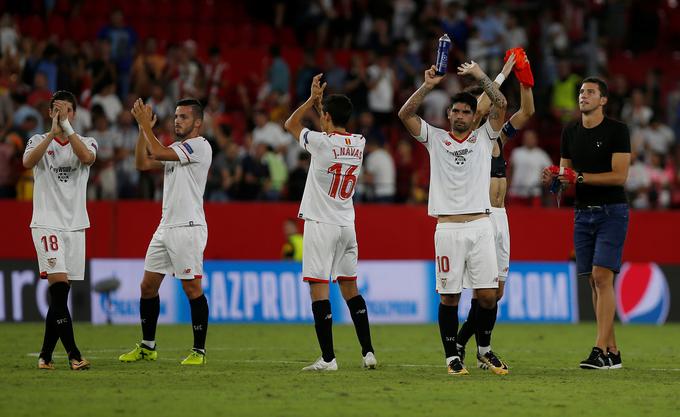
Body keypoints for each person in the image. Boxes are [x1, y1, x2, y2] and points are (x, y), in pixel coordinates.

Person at [398, 61, 509, 376]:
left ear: (475, 116)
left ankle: (484, 350)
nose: (460, 116)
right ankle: (451, 357)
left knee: (488, 296)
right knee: (450, 296)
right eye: (455, 111)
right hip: (447, 227)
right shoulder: (435, 138)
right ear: (448, 115)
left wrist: (479, 76)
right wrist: (428, 86)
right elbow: (404, 115)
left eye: (465, 112)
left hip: (480, 226)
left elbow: (500, 103)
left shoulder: (485, 137)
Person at [284, 74, 377, 371]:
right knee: (351, 288)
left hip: (321, 223)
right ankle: (368, 353)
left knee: (318, 288)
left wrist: (311, 100)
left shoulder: (320, 143)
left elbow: (290, 125)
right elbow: (334, 131)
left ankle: (328, 359)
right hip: (347, 224)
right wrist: (321, 107)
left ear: (325, 117)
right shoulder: (359, 143)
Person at [543, 77, 630, 370]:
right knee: (596, 281)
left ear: (603, 100)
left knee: (602, 277)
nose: (583, 96)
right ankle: (613, 352)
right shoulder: (570, 131)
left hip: (611, 211)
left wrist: (578, 178)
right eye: (581, 92)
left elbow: (619, 176)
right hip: (582, 212)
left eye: (590, 92)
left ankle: (598, 349)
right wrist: (554, 182)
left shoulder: (618, 131)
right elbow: (565, 179)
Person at [455, 49, 535, 368]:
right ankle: (478, 349)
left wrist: (525, 79)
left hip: (502, 217)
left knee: (496, 294)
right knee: (483, 292)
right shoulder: (473, 135)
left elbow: (527, 111)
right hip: (481, 216)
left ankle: (467, 344)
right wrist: (497, 74)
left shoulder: (499, 134)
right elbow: (489, 102)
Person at [119, 98, 212, 366]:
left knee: (192, 287)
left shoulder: (200, 146)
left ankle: (199, 351)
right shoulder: (175, 148)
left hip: (188, 227)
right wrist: (141, 130)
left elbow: (157, 153)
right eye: (175, 116)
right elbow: (142, 163)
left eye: (183, 117)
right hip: (165, 226)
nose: (176, 120)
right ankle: (148, 347)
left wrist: (146, 126)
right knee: (147, 286)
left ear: (197, 123)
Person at [23, 91, 97, 370]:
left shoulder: (87, 141)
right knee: (60, 287)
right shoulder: (37, 140)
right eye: (55, 110)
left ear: (74, 114)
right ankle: (74, 355)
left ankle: (45, 356)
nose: (59, 115)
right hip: (46, 223)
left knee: (59, 295)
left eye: (65, 110)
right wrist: (52, 135)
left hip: (76, 226)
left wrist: (67, 131)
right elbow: (28, 163)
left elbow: (87, 158)